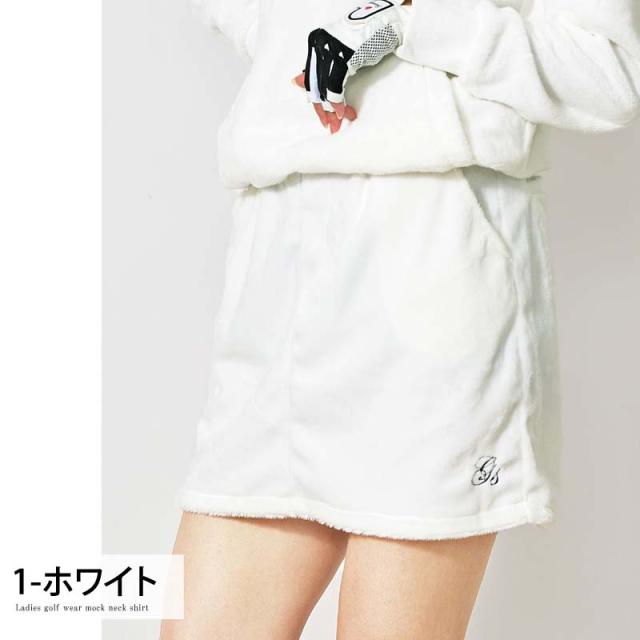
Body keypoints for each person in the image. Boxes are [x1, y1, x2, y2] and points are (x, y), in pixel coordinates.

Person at [161, 1, 640, 638]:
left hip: (436, 252)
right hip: (280, 256)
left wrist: (411, 23)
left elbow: (607, 74)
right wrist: (293, 30)